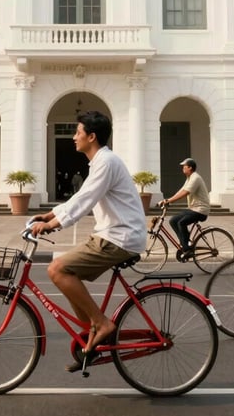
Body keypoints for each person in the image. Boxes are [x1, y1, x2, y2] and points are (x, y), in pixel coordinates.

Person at [29, 110, 146, 371]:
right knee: (68, 271)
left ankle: (101, 324)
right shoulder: (101, 162)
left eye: (78, 132)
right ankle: (92, 333)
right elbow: (80, 196)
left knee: (57, 269)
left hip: (119, 237)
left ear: (91, 137)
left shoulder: (106, 162)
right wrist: (49, 214)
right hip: (114, 233)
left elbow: (85, 201)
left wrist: (51, 224)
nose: (73, 138)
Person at [158, 157, 210, 259]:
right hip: (193, 208)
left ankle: (186, 249)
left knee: (181, 222)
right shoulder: (189, 178)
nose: (182, 168)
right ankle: (184, 244)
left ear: (190, 168)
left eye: (184, 166)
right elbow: (181, 190)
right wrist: (168, 200)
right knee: (173, 220)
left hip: (200, 210)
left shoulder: (195, 178)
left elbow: (185, 192)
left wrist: (169, 201)